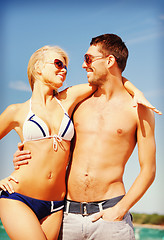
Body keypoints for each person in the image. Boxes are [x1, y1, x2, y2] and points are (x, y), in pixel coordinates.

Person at [7, 34, 160, 240]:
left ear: (109, 61)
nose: (82, 65)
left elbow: (148, 170)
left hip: (110, 215)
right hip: (67, 215)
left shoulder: (138, 109)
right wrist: (24, 158)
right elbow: (43, 127)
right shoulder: (75, 102)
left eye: (88, 59)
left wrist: (120, 210)